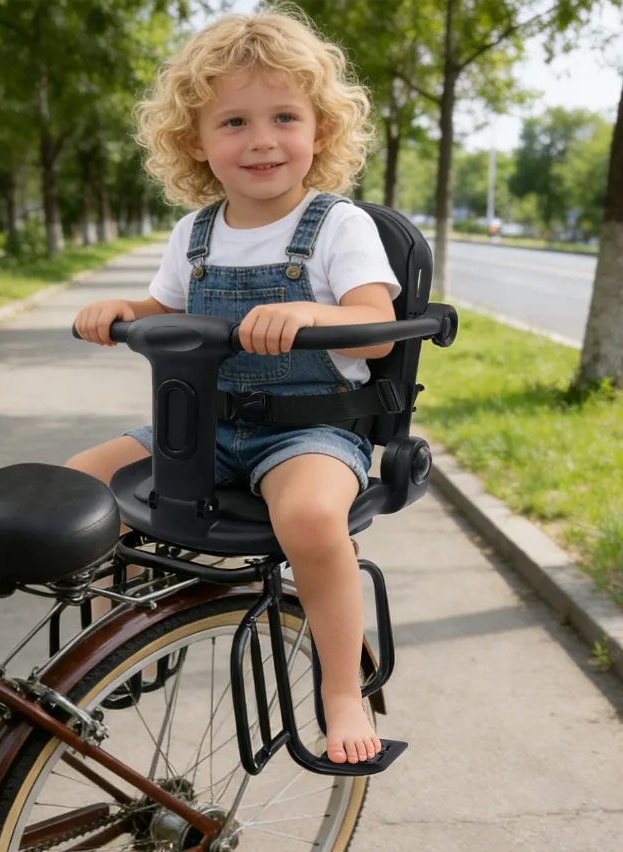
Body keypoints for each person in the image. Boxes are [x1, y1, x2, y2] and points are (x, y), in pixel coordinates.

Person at [69, 6, 401, 766]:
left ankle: (342, 687)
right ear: (196, 141)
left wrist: (308, 313)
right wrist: (125, 309)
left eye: (285, 116)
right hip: (205, 428)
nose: (261, 140)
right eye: (234, 122)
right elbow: (164, 309)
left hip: (309, 430)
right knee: (76, 486)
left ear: (320, 128)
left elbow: (375, 325)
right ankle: (110, 625)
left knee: (314, 519)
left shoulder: (339, 226)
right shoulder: (197, 233)